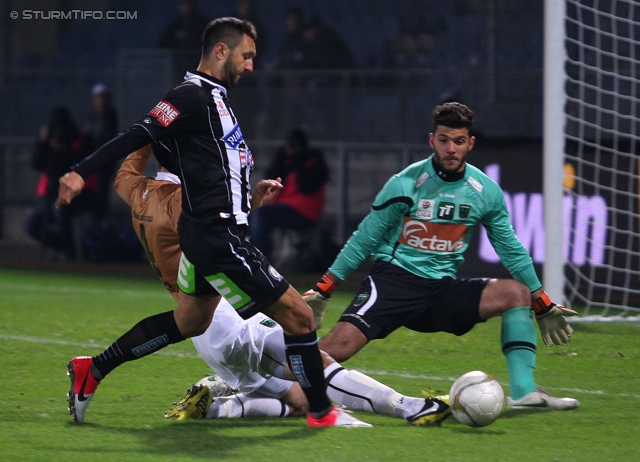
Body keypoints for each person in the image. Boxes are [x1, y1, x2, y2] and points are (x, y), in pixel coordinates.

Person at [57, 17, 361, 428]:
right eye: (247, 55)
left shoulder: (216, 99)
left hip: (209, 233)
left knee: (190, 321)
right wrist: (80, 170)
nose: (251, 65)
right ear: (221, 50)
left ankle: (93, 368)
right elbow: (138, 133)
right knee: (302, 319)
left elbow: (210, 172)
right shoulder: (190, 95)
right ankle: (322, 413)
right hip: (219, 238)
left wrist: (248, 199)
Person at [113, 146, 448, 426]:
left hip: (206, 330)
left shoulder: (141, 191)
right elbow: (212, 234)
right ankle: (409, 407)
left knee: (294, 397)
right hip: (226, 311)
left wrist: (151, 131)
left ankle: (217, 404)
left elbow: (199, 225)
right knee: (316, 367)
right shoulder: (181, 199)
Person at [303, 102, 580, 410]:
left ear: (470, 144)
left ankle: (525, 392)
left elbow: (510, 248)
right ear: (431, 140)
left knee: (516, 294)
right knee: (335, 348)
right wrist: (326, 286)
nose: (451, 148)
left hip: (442, 291)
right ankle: (274, 386)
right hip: (394, 282)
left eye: (458, 141)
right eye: (444, 140)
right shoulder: (405, 183)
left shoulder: (484, 190)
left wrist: (540, 300)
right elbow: (365, 237)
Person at [24, 107, 97, 260]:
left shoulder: (81, 141)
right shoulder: (49, 143)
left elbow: (74, 167)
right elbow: (36, 163)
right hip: (51, 196)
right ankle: (60, 247)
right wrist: (43, 143)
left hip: (77, 196)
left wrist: (65, 149)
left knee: (61, 213)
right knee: (31, 224)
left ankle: (69, 254)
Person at [249, 128, 329, 264]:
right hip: (285, 206)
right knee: (250, 213)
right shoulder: (286, 162)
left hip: (304, 211)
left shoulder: (312, 162)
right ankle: (246, 253)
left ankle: (261, 258)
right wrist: (280, 160)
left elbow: (306, 186)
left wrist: (297, 161)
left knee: (261, 214)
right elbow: (271, 179)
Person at [82, 83, 119, 222]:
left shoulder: (109, 117)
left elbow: (105, 138)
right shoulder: (91, 118)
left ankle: (99, 223)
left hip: (104, 163)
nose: (101, 101)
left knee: (101, 194)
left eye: (103, 97)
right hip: (91, 162)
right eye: (98, 98)